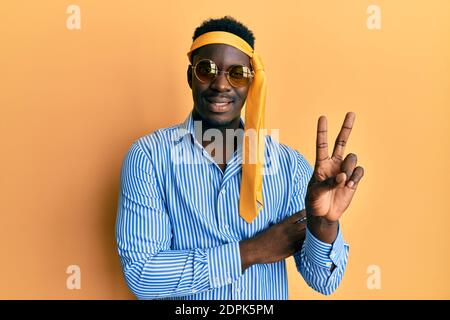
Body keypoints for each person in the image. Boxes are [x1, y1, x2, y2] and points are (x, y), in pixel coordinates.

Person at [115, 16, 364, 300]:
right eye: (206, 70)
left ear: (252, 83)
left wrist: (324, 223)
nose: (221, 84)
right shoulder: (149, 158)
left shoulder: (289, 167)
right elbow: (143, 276)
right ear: (189, 77)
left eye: (237, 73)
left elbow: (324, 282)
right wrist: (253, 251)